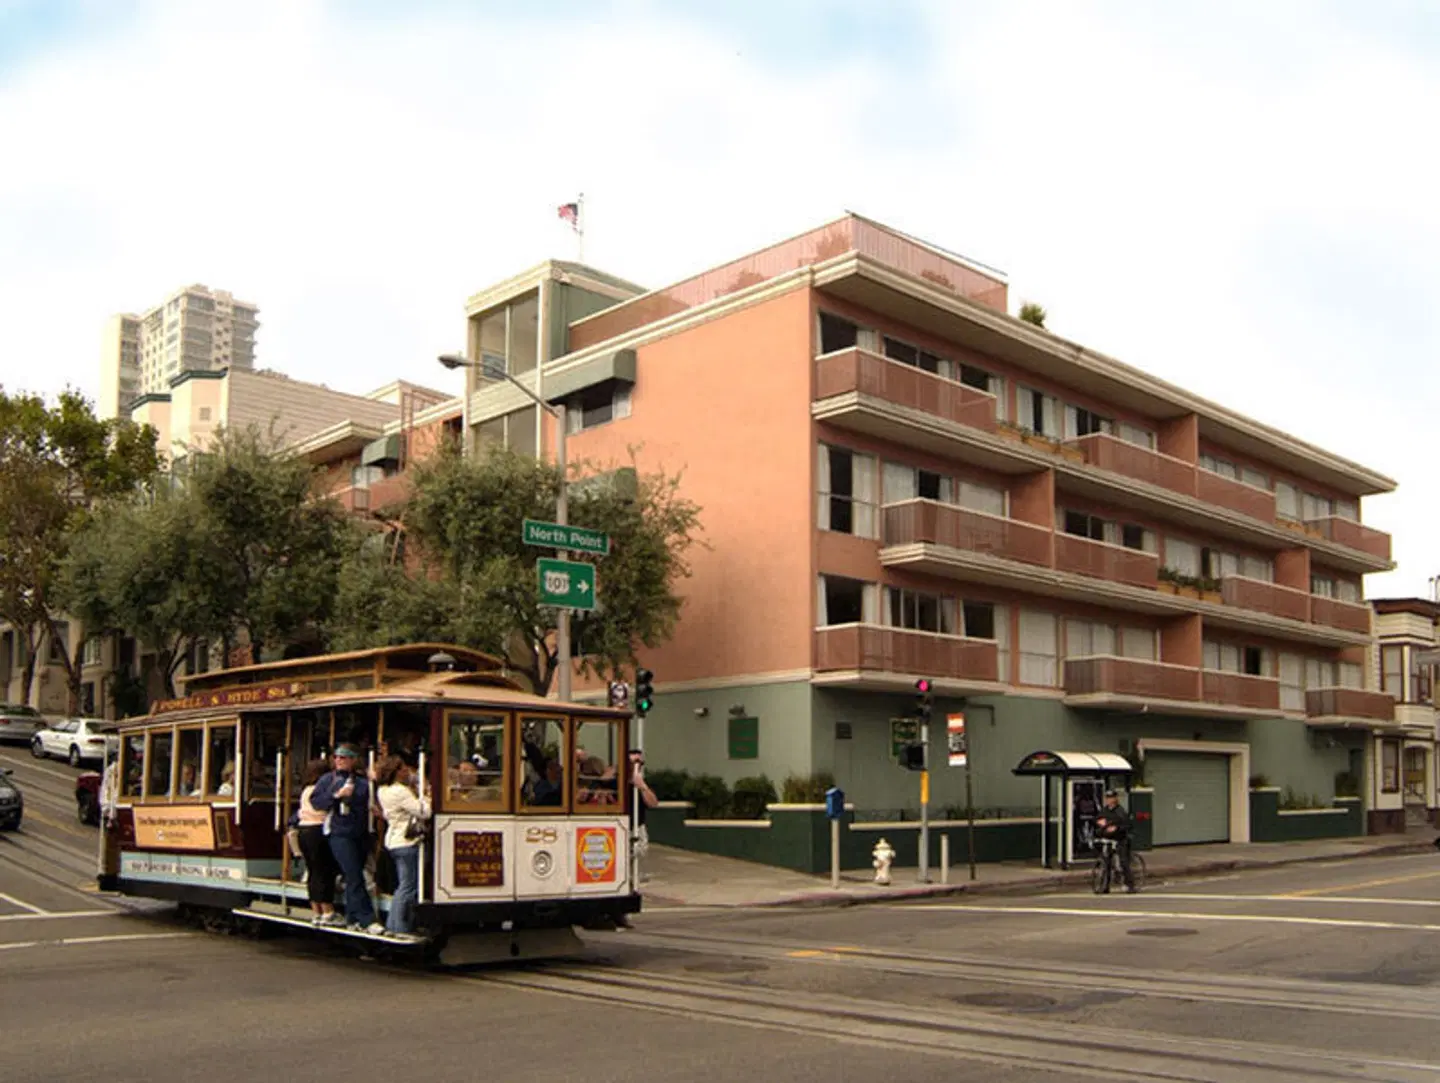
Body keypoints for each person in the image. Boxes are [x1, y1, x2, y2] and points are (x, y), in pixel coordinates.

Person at [308, 745, 385, 934]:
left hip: (360, 832)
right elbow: (316, 802)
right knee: (353, 874)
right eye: (337, 757)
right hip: (339, 833)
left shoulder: (362, 781)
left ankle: (352, 918)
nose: (339, 760)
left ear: (353, 760)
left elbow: (373, 801)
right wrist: (336, 795)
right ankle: (367, 919)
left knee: (354, 875)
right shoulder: (328, 779)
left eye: (344, 757)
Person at [375, 754, 430, 936]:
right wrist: (427, 796)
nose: (406, 770)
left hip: (394, 840)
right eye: (403, 768)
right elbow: (423, 812)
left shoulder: (382, 790)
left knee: (403, 885)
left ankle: (394, 923)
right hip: (406, 842)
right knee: (408, 886)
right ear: (396, 771)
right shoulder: (400, 791)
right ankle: (399, 927)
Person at [295, 759, 342, 926]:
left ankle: (316, 911)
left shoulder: (306, 789)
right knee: (324, 871)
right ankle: (328, 911)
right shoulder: (318, 790)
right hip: (317, 830)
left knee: (313, 871)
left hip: (303, 831)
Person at [1094, 789, 1135, 892]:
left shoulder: (1120, 811)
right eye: (1107, 798)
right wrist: (1100, 824)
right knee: (1106, 861)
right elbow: (1098, 819)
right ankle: (1105, 886)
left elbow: (1128, 825)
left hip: (1120, 839)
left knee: (1123, 861)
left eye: (1111, 798)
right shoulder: (1104, 810)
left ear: (1116, 799)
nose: (1109, 800)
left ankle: (1130, 885)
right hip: (1108, 839)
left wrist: (1116, 828)